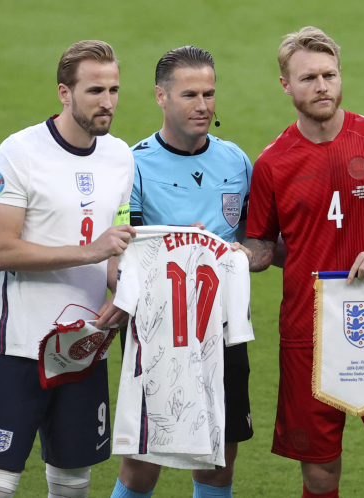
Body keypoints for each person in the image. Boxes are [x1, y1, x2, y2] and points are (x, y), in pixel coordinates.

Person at [244, 27, 364, 498]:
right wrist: (225, 256)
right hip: (305, 331)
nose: (321, 86)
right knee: (319, 474)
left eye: (329, 75)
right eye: (308, 77)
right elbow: (260, 246)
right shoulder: (272, 164)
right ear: (285, 85)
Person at [0, 40, 136, 498]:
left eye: (114, 89)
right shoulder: (19, 153)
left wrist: (122, 291)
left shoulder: (120, 156)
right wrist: (90, 251)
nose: (107, 102)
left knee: (72, 480)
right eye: (95, 90)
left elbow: (117, 245)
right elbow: (2, 251)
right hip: (21, 345)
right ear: (64, 92)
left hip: (85, 345)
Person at [109, 46, 254, 498]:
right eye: (190, 94)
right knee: (142, 465)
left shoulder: (236, 161)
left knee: (219, 463)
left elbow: (258, 242)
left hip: (223, 328)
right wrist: (180, 246)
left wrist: (245, 254)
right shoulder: (132, 165)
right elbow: (118, 259)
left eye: (209, 93)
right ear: (160, 96)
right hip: (159, 335)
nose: (203, 105)